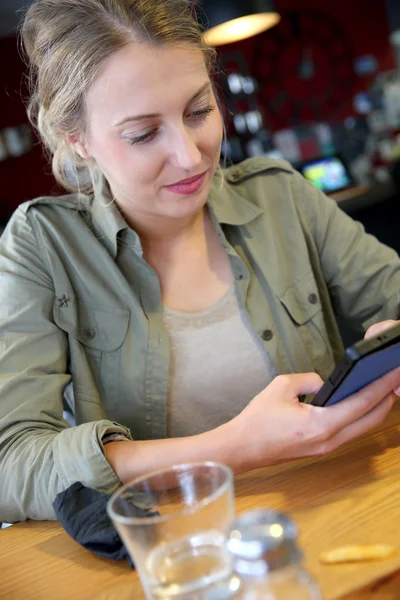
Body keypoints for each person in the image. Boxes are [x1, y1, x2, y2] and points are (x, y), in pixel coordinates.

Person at [1, 0, 400, 524]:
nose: (191, 156)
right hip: (174, 552)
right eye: (144, 134)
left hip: (341, 515)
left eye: (198, 111)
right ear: (79, 142)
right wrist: (231, 446)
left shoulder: (281, 196)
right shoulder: (43, 245)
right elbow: (11, 466)